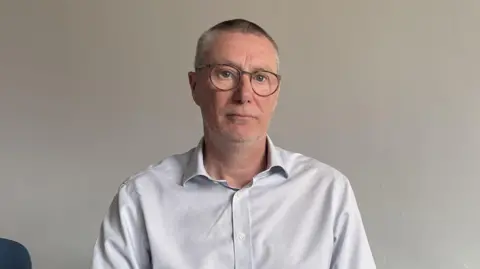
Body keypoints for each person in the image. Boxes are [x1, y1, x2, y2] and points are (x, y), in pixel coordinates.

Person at [91, 18, 376, 269]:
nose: (244, 95)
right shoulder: (141, 199)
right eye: (226, 74)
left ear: (275, 94)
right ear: (194, 85)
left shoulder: (327, 192)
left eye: (260, 78)